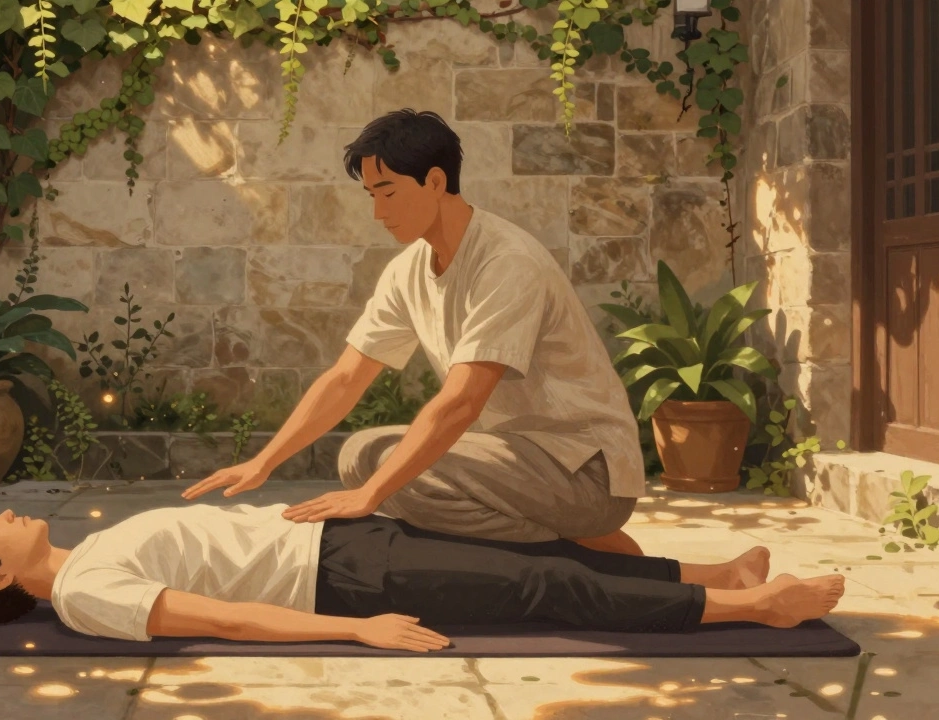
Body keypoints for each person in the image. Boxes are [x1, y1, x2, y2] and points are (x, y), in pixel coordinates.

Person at [181, 109, 649, 556]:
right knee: (362, 454)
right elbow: (346, 378)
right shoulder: (408, 270)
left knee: (392, 474)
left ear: (436, 181)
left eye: (388, 192)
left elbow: (462, 403)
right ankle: (588, 553)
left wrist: (370, 496)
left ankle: (578, 560)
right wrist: (264, 462)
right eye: (372, 196)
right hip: (516, 463)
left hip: (587, 472)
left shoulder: (507, 261)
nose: (379, 212)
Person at [0, 506, 846, 651]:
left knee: (535, 555)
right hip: (342, 582)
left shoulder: (89, 554)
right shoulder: (80, 595)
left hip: (342, 542)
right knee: (544, 592)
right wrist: (359, 630)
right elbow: (220, 617)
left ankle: (712, 568)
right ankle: (749, 608)